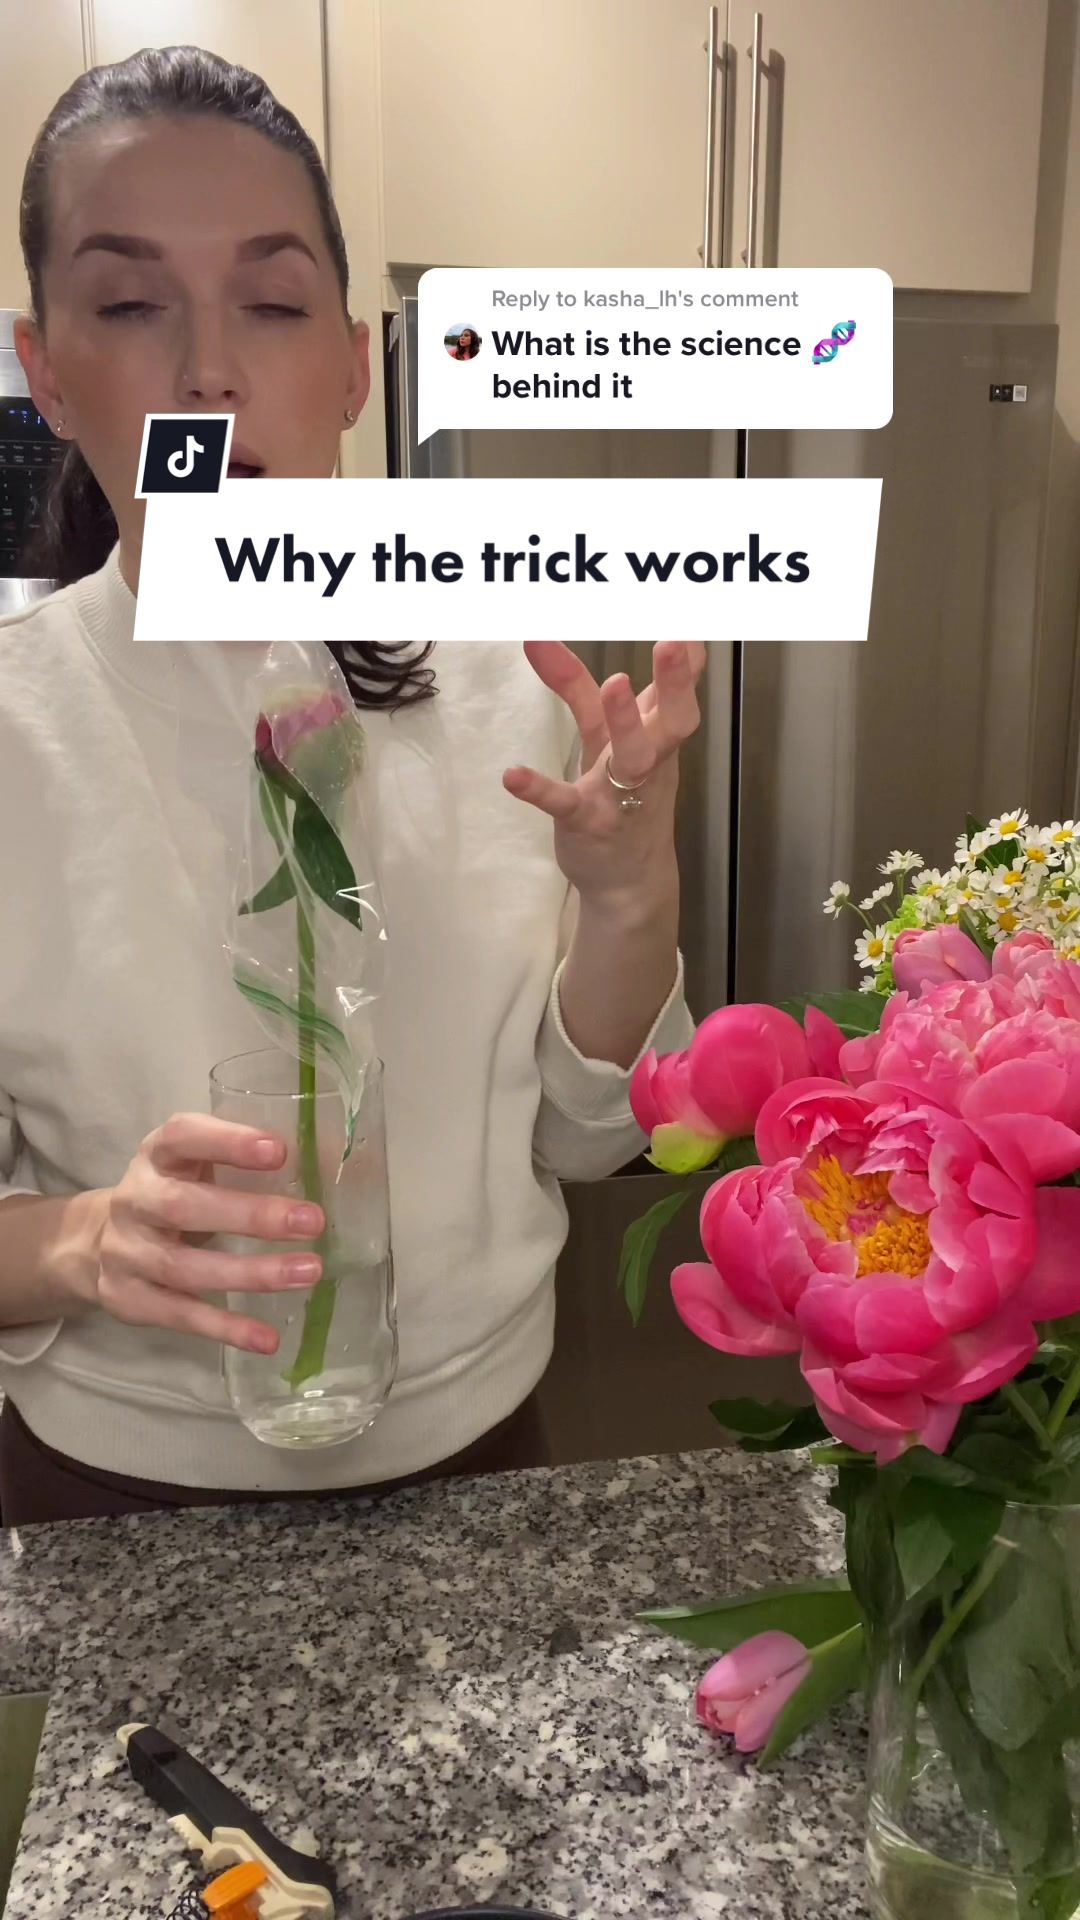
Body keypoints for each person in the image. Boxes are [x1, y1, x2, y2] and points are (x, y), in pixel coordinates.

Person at [0, 45, 701, 1525]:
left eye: (271, 303)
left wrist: (630, 895)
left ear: (352, 363)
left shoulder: (513, 677)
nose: (209, 371)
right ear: (46, 370)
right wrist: (80, 1240)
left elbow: (587, 1137)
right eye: (129, 305)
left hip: (479, 1460)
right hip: (110, 1496)